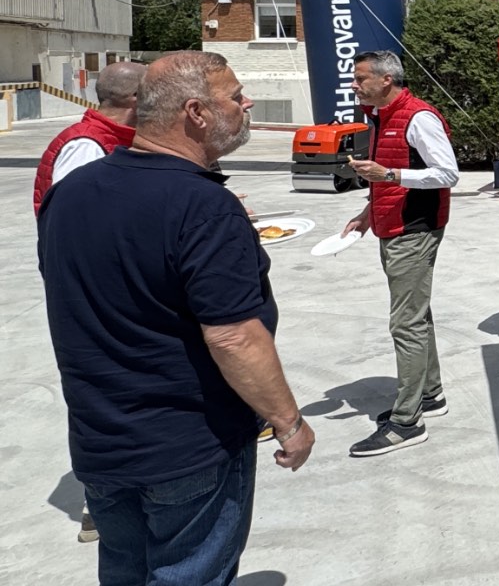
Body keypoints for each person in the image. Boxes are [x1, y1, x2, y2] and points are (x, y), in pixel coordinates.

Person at [38, 52, 314, 583]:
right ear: (197, 112)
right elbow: (234, 337)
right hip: (189, 448)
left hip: (102, 444)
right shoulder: (203, 207)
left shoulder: (69, 193)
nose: (248, 103)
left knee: (125, 573)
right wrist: (289, 422)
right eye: (235, 95)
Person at [31, 60, 146, 545]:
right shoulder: (86, 147)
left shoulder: (111, 139)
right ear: (137, 100)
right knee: (103, 389)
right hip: (92, 292)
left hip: (107, 287)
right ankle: (101, 505)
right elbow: (85, 228)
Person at [342, 51, 460, 457]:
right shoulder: (381, 115)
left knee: (406, 324)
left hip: (414, 230)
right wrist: (367, 213)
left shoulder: (418, 117)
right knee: (417, 316)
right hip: (394, 226)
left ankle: (407, 422)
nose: (354, 85)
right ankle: (431, 395)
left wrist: (389, 174)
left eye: (360, 78)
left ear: (386, 80)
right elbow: (387, 176)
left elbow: (448, 173)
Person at [32, 60, 145, 216]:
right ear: (136, 97)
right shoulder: (85, 146)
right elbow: (70, 215)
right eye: (153, 92)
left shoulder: (116, 138)